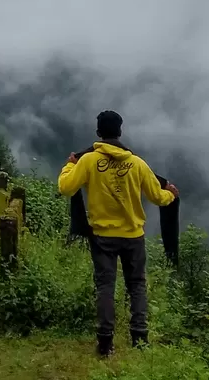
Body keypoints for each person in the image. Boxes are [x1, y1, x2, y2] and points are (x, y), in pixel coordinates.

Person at [57, 110, 179, 358]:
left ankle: (105, 343)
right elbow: (158, 197)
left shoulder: (88, 161)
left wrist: (69, 165)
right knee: (137, 286)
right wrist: (171, 195)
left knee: (105, 287)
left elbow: (66, 188)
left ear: (98, 133)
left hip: (103, 236)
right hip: (133, 236)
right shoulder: (137, 164)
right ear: (120, 132)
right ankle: (140, 339)